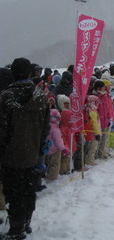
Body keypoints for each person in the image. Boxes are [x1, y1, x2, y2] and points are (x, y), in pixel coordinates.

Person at [0, 57, 50, 239]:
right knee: (29, 190)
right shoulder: (40, 95)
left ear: (12, 73)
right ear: (30, 73)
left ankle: (16, 228)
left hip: (11, 155)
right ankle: (26, 223)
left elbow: (2, 129)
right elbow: (46, 127)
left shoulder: (6, 96)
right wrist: (40, 147)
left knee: (14, 193)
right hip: (33, 153)